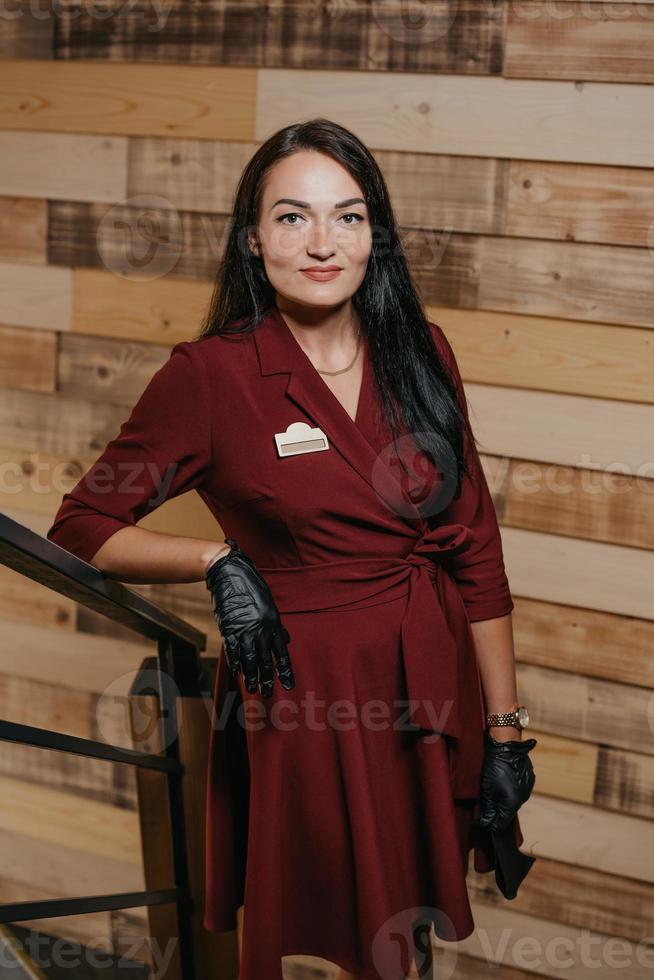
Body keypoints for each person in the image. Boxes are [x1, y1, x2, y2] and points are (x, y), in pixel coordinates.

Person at [47, 118, 537, 980]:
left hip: (429, 679)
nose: (321, 243)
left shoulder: (423, 352)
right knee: (340, 937)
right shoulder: (211, 376)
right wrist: (215, 562)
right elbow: (81, 525)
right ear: (253, 238)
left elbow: (478, 553)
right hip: (308, 704)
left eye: (347, 218)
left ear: (374, 238)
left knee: (409, 940)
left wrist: (504, 735)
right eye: (292, 217)